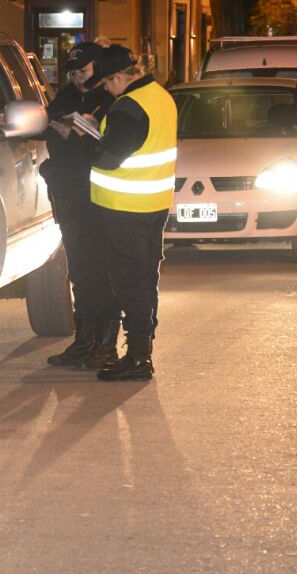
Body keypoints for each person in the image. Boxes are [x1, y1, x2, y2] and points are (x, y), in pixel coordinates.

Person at [81, 45, 177, 382]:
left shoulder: (128, 107)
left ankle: (138, 358)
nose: (106, 90)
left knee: (128, 283)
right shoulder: (161, 96)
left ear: (119, 77)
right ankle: (141, 352)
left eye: (107, 83)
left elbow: (109, 157)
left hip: (124, 210)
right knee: (145, 279)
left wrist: (86, 139)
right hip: (153, 206)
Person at [39, 42, 119, 369]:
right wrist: (59, 127)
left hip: (98, 197)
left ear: (97, 68)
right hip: (69, 194)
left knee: (103, 271)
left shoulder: (110, 99)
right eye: (72, 72)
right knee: (80, 272)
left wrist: (79, 132)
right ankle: (84, 341)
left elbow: (107, 144)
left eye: (83, 70)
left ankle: (106, 345)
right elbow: (48, 125)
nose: (77, 78)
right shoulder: (68, 98)